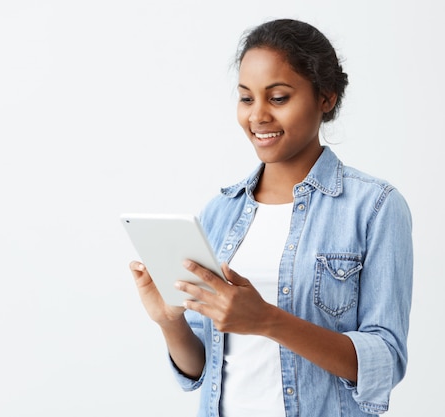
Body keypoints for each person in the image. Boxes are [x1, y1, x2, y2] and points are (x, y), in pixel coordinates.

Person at [128, 18, 413, 417]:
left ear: (326, 97)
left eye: (278, 98)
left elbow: (385, 361)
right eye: (246, 98)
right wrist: (169, 321)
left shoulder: (375, 206)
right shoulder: (220, 211)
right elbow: (200, 369)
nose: (257, 116)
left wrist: (267, 321)